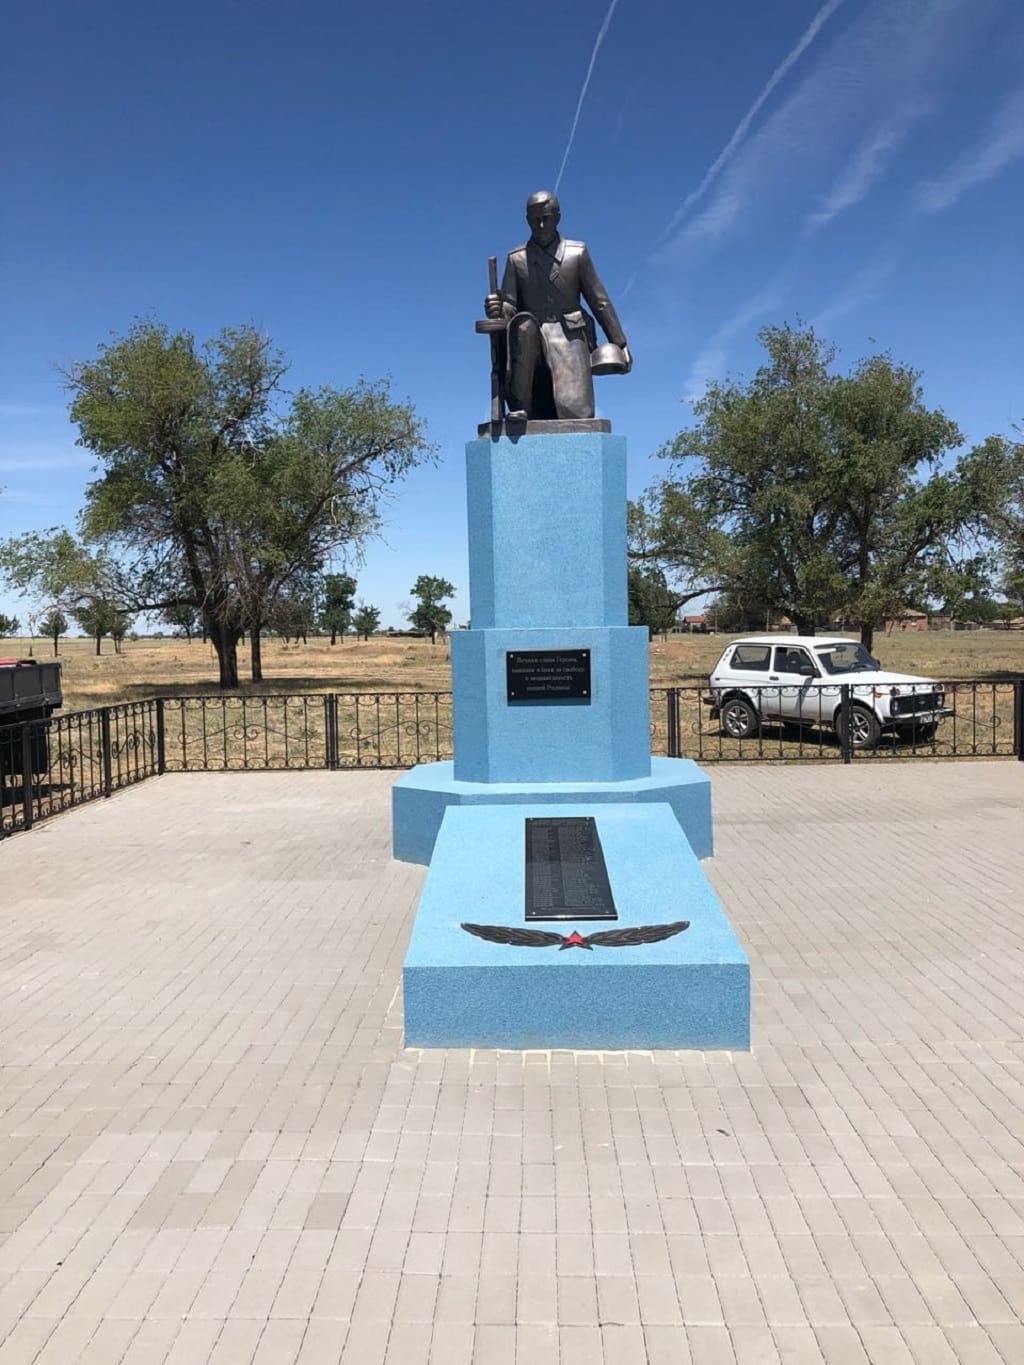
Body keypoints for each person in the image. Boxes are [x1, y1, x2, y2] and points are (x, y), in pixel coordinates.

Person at [484, 191, 632, 421]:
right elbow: (510, 306)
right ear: (527, 220)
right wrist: (498, 308)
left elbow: (599, 300)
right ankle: (520, 406)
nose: (541, 224)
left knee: (578, 414)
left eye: (546, 217)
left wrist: (619, 342)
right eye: (535, 219)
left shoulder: (577, 253)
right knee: (522, 327)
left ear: (558, 217)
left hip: (569, 334)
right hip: (530, 334)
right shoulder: (516, 259)